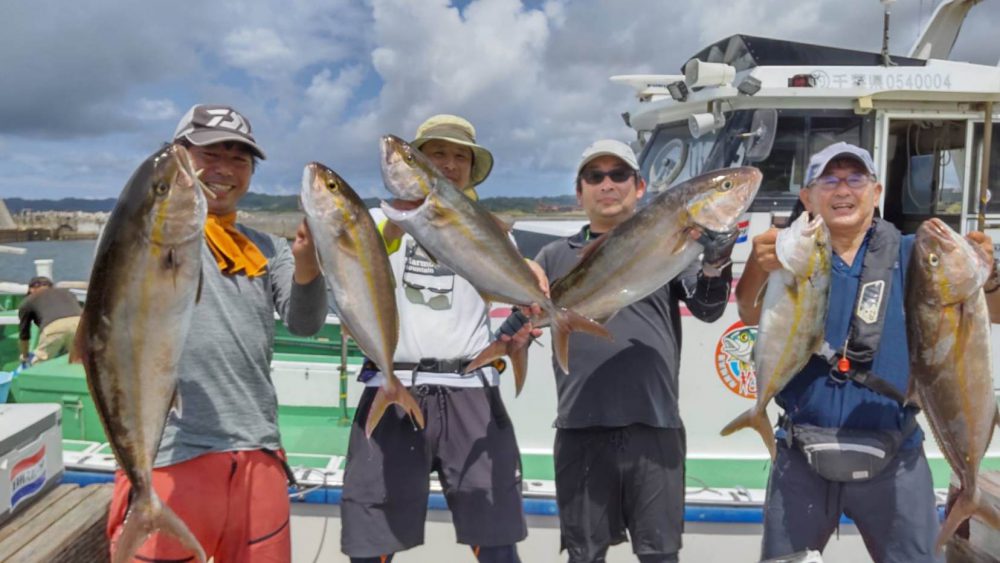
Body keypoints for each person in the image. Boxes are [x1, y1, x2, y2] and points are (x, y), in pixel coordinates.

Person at [735, 142, 994, 562]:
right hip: (800, 454)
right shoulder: (790, 252)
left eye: (855, 178)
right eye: (829, 180)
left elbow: (993, 313)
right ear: (807, 197)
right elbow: (748, 311)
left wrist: (989, 274)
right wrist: (756, 264)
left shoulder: (913, 253)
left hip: (895, 454)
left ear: (876, 193)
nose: (843, 189)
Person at [105, 104, 328, 562]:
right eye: (209, 154)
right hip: (170, 456)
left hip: (258, 451)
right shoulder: (148, 241)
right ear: (180, 159)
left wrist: (308, 264)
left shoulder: (268, 248)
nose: (224, 169)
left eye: (239, 159)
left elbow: (304, 323)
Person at [500, 140, 735, 563]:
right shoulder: (553, 256)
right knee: (584, 555)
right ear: (580, 193)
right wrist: (510, 338)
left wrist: (716, 261)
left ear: (639, 187)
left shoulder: (671, 245)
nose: (607, 184)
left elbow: (708, 308)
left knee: (660, 555)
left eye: (618, 175)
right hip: (580, 425)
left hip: (655, 423)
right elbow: (523, 320)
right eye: (595, 177)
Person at [340, 114, 527, 563]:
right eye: (437, 154)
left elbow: (519, 300)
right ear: (418, 163)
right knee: (371, 539)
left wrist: (514, 334)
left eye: (461, 156)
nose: (450, 164)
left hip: (470, 390)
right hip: (392, 385)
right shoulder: (376, 221)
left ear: (472, 168)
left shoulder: (492, 231)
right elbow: (352, 275)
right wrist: (399, 221)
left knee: (496, 537)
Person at [17, 275, 82, 365]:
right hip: (80, 323)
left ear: (31, 289)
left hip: (54, 327)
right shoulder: (68, 293)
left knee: (38, 364)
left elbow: (24, 334)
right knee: (78, 360)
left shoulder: (28, 301)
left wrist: (25, 355)